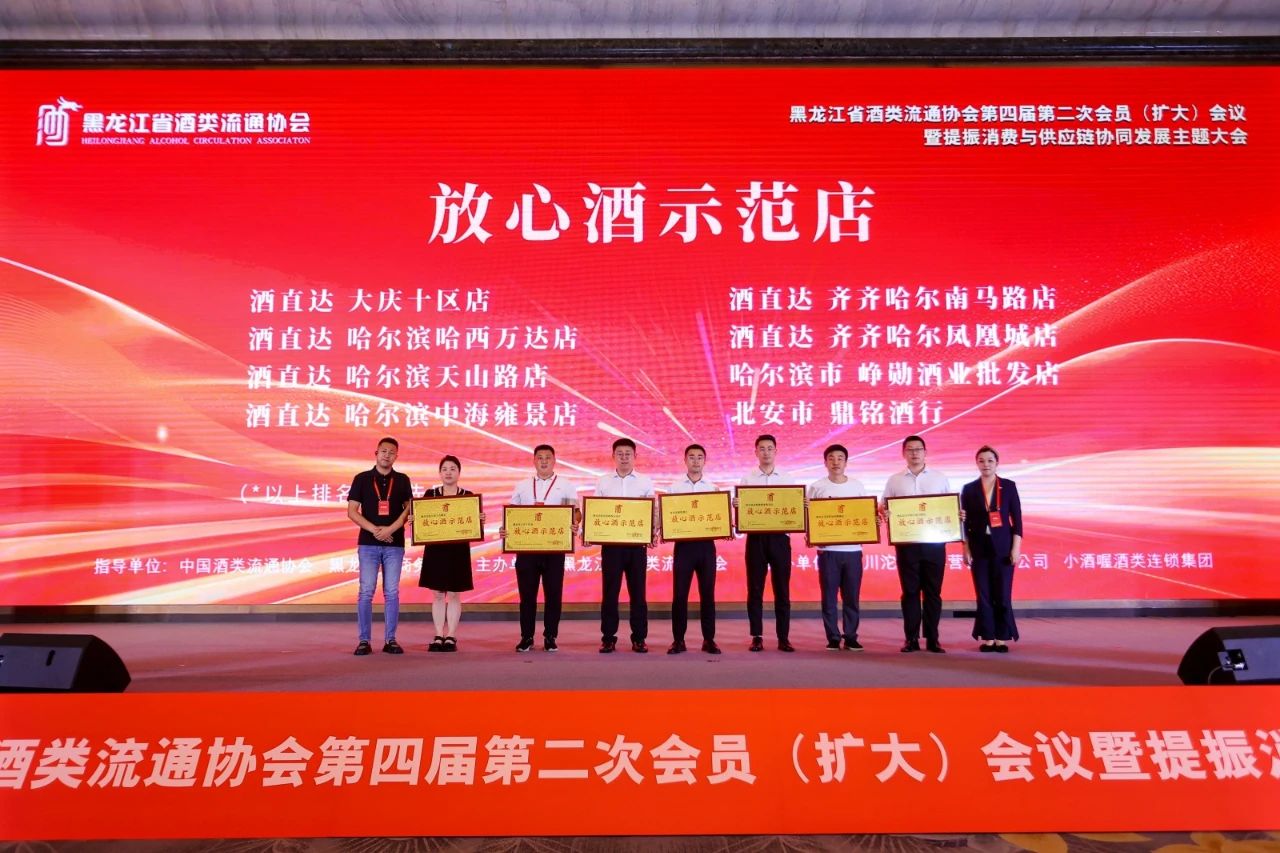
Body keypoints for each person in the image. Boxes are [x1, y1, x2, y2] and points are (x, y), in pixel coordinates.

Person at [504, 444, 578, 653]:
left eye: (548, 457)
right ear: (534, 461)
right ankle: (526, 637)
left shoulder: (566, 485)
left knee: (553, 594)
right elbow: (512, 514)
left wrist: (575, 523)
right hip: (527, 549)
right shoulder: (522, 485)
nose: (544, 461)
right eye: (540, 457)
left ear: (554, 460)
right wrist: (506, 529)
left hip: (555, 548)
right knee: (527, 595)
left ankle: (550, 636)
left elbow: (576, 513)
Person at [882, 434, 952, 654]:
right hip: (907, 545)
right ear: (903, 453)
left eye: (918, 449)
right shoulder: (895, 480)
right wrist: (884, 512)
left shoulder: (939, 478)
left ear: (925, 452)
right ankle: (911, 638)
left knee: (933, 593)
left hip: (934, 544)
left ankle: (933, 639)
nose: (914, 453)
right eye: (910, 449)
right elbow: (884, 507)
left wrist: (956, 514)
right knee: (910, 592)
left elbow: (949, 507)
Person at [347, 436, 413, 656]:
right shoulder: (362, 479)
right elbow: (352, 511)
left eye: (392, 452)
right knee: (366, 591)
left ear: (396, 456)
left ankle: (390, 639)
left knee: (391, 592)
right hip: (368, 544)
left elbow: (410, 510)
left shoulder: (402, 480)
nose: (387, 455)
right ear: (376, 453)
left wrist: (390, 529)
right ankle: (364, 640)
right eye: (384, 451)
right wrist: (376, 530)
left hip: (394, 544)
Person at [592, 438, 655, 654]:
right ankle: (608, 638)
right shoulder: (603, 482)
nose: (624, 457)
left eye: (628, 453)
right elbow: (596, 512)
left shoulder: (645, 482)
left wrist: (652, 532)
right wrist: (589, 533)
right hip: (612, 547)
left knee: (638, 593)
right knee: (610, 593)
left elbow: (652, 512)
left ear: (635, 456)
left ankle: (639, 638)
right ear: (613, 456)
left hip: (637, 547)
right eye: (620, 453)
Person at [416, 455, 483, 653]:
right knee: (437, 594)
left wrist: (479, 519)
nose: (448, 472)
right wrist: (415, 519)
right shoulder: (430, 494)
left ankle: (451, 635)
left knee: (454, 594)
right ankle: (438, 635)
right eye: (444, 469)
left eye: (453, 469)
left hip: (458, 550)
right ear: (439, 473)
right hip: (435, 550)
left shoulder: (468, 496)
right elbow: (422, 519)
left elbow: (473, 525)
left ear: (459, 473)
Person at [961, 445, 1023, 653]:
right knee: (984, 594)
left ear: (997, 463)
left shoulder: (1008, 486)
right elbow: (964, 523)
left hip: (1004, 548)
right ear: (976, 463)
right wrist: (966, 548)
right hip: (979, 548)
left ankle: (1002, 637)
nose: (985, 464)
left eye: (990, 461)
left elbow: (1017, 521)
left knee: (1002, 593)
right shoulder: (969, 489)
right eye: (981, 461)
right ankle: (988, 636)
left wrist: (1016, 548)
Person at [807, 444, 868, 651]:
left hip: (853, 550)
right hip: (828, 551)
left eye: (840, 458)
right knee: (829, 597)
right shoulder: (817, 487)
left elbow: (864, 514)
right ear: (825, 462)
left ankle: (851, 636)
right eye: (831, 458)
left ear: (846, 462)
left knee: (852, 597)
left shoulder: (857, 486)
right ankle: (833, 636)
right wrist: (811, 534)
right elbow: (810, 516)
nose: (835, 462)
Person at [663, 444, 722, 655]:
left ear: (704, 461)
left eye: (699, 457)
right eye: (691, 457)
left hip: (706, 547)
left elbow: (719, 518)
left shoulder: (713, 489)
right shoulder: (674, 489)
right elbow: (667, 517)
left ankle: (709, 639)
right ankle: (678, 640)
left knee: (708, 594)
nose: (695, 461)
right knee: (680, 595)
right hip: (684, 547)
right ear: (685, 460)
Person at [740, 434, 796, 652]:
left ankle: (784, 637)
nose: (766, 452)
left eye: (770, 448)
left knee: (782, 589)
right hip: (756, 539)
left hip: (780, 538)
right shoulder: (748, 479)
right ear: (756, 452)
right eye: (761, 448)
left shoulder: (787, 479)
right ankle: (757, 636)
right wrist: (737, 505)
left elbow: (793, 508)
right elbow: (743, 511)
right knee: (755, 589)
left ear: (776, 451)